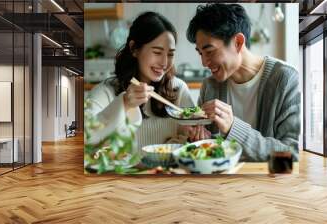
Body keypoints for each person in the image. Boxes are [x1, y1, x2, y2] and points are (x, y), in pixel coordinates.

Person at [185, 3, 301, 161]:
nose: (204, 63)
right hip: (219, 182)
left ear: (238, 42)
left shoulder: (284, 79)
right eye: (201, 53)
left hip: (266, 181)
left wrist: (233, 128)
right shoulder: (210, 85)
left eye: (210, 51)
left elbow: (290, 155)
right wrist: (197, 138)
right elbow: (206, 146)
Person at [85, 11, 194, 150]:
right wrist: (123, 103)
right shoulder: (105, 91)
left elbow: (188, 142)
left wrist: (189, 137)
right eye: (157, 52)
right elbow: (86, 137)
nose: (165, 62)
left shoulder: (178, 89)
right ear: (134, 49)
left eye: (170, 54)